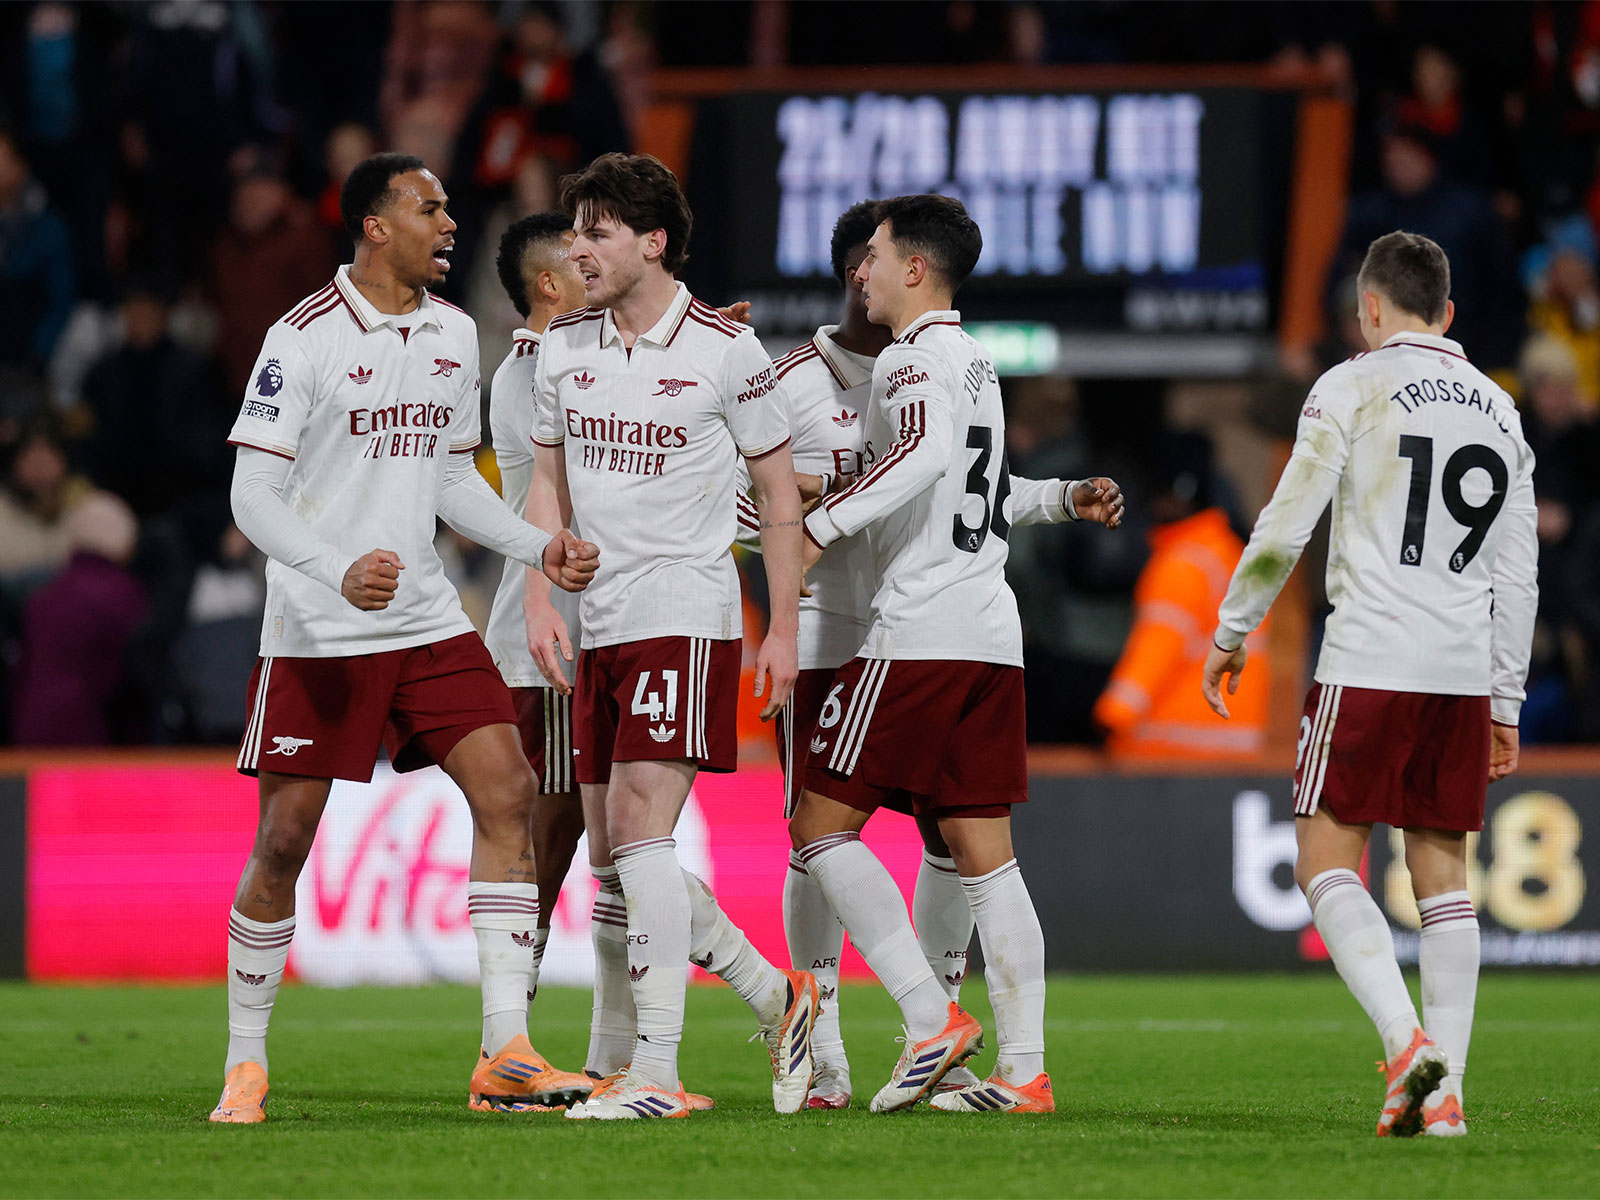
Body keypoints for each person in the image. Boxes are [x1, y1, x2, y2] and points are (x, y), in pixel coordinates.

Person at [209, 153, 599, 1125]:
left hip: (425, 616)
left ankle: (504, 1051)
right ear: (375, 226)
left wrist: (538, 547)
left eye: (448, 207)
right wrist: (334, 568)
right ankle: (245, 1061)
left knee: (508, 790)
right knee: (283, 842)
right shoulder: (301, 337)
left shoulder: (453, 332)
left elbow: (450, 480)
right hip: (320, 625)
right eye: (429, 208)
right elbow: (251, 493)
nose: (449, 222)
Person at [743, 200, 1121, 1109]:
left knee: (817, 827)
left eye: (875, 255)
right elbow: (963, 481)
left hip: (916, 632)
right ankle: (1024, 1070)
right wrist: (1060, 496)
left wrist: (819, 526)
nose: (862, 272)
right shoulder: (976, 360)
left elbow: (919, 457)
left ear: (912, 268)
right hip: (990, 633)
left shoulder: (906, 360)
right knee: (986, 856)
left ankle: (929, 1019)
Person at [1202, 231, 1537, 1139]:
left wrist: (1233, 629)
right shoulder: (1503, 411)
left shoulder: (1352, 385)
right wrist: (1505, 698)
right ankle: (1447, 1095)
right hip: (1461, 673)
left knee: (1324, 863)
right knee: (1443, 877)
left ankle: (1404, 1043)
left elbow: (1287, 521)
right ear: (1448, 313)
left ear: (1370, 310)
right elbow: (1519, 574)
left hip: (1369, 660)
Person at [524, 152, 816, 1120]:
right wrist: (535, 595)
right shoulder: (564, 348)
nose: (577, 249)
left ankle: (655, 1072)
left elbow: (779, 497)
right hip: (600, 623)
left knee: (640, 831)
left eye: (597, 232)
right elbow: (546, 482)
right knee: (614, 860)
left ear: (653, 242)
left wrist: (780, 629)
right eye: (574, 230)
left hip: (686, 614)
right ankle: (765, 1000)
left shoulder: (728, 351)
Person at [1093, 431, 1269, 759]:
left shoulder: (1183, 562)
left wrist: (1113, 715)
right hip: (1235, 742)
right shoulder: (1230, 555)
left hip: (1174, 746)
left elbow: (1159, 646)